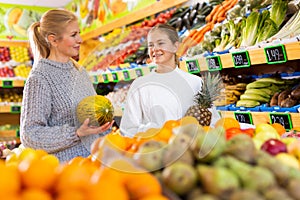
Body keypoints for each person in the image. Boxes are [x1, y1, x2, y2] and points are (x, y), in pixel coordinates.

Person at [20, 9, 113, 162]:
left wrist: (104, 127)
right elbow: (30, 135)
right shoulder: (40, 78)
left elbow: (92, 117)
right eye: (73, 35)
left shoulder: (80, 71)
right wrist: (75, 133)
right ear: (53, 40)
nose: (81, 39)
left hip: (95, 164)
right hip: (65, 171)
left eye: (79, 33)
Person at [120, 24, 220, 137]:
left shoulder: (196, 82)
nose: (155, 49)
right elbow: (127, 129)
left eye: (161, 43)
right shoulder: (140, 85)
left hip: (192, 148)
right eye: (151, 45)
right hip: (155, 149)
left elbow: (213, 122)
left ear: (175, 47)